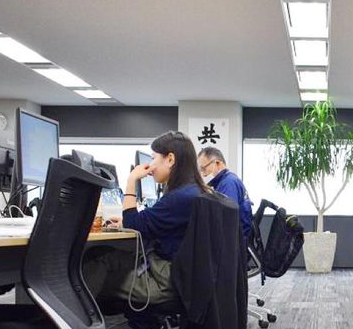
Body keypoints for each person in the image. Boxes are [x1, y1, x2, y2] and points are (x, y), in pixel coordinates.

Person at [85, 131, 211, 305]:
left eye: (153, 158)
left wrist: (132, 179)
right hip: (181, 275)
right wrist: (127, 221)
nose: (151, 165)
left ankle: (76, 317)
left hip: (166, 281)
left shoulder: (180, 197)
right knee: (107, 257)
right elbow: (146, 223)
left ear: (170, 159)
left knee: (93, 266)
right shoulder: (194, 191)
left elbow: (133, 224)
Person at [197, 147, 253, 240]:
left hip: (234, 242)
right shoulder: (227, 180)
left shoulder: (228, 184)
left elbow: (227, 220)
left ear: (217, 163)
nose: (203, 174)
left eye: (204, 169)